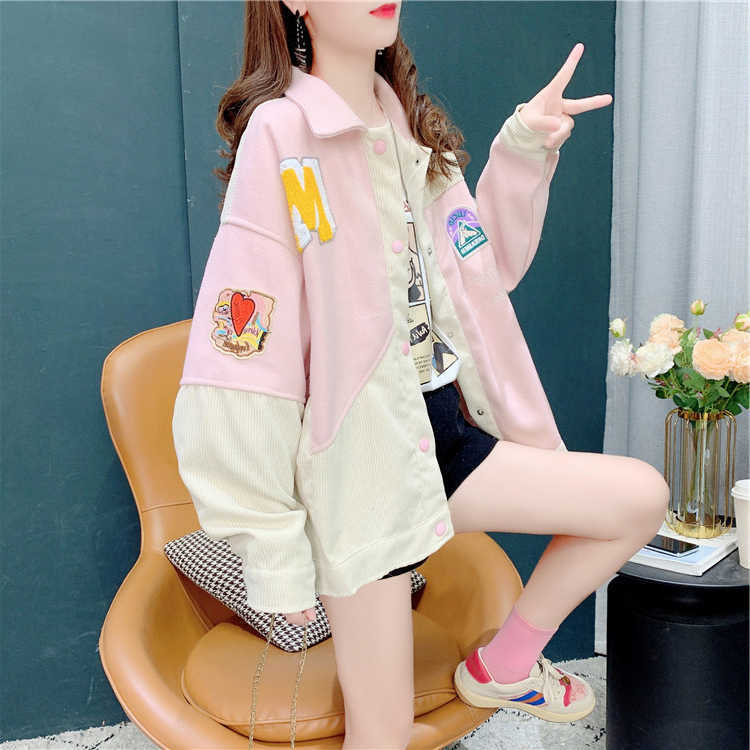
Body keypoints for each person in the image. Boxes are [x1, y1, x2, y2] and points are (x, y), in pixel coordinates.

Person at [171, 1, 669, 747]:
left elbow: (479, 272)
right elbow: (244, 356)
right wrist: (273, 551)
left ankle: (505, 664)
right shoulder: (282, 135)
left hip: (446, 436)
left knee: (638, 498)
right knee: (382, 736)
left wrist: (521, 150)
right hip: (358, 474)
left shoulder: (407, 130)